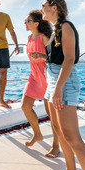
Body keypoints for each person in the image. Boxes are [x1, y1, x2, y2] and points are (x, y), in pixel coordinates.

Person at [30, 0, 85, 170]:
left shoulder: (66, 26)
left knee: (72, 136)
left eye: (43, 6)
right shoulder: (56, 30)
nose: (41, 9)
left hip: (63, 83)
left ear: (54, 7)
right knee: (59, 131)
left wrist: (58, 89)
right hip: (54, 80)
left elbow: (69, 59)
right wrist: (43, 57)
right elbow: (59, 57)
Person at [22, 10, 60, 158]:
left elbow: (53, 58)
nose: (25, 23)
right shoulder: (29, 38)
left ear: (36, 23)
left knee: (52, 115)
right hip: (33, 75)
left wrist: (41, 56)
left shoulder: (45, 38)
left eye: (27, 20)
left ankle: (56, 146)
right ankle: (37, 134)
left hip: (45, 76)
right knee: (25, 106)